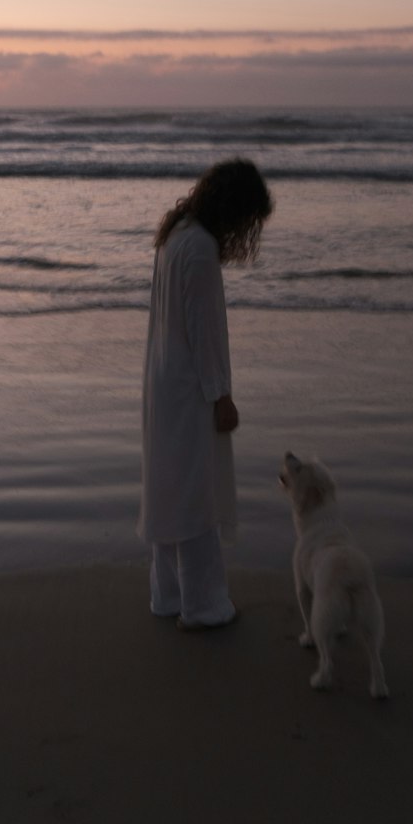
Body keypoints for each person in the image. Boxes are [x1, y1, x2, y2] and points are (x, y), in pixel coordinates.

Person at [138, 158, 273, 629]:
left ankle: (168, 596)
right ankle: (204, 606)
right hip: (189, 386)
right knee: (196, 494)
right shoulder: (198, 248)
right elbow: (205, 330)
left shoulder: (177, 234)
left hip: (165, 381)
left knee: (171, 488)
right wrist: (221, 395)